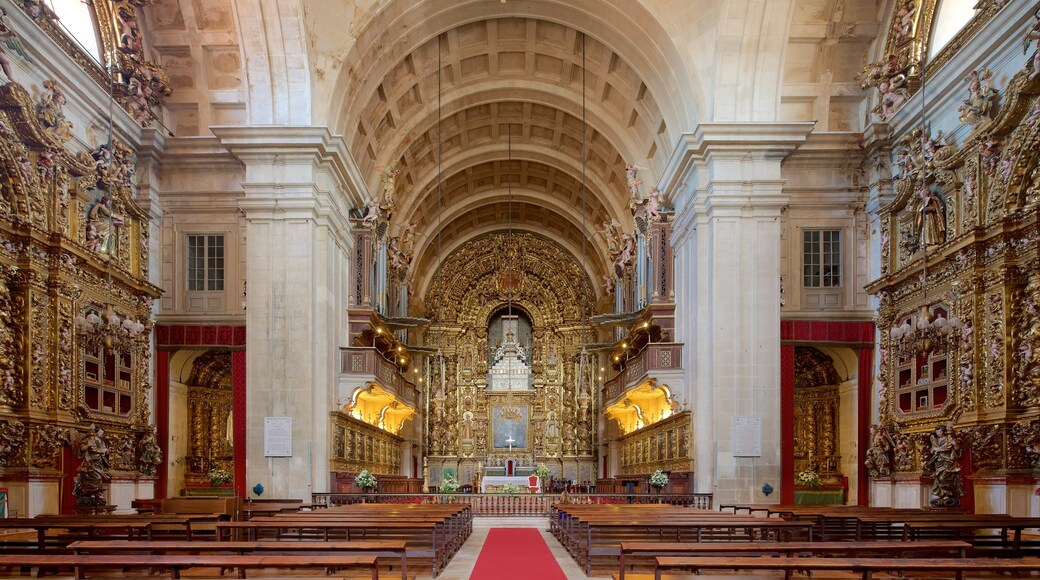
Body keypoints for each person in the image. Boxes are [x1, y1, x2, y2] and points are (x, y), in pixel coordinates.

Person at [923, 424, 965, 507]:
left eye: (940, 431)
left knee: (943, 477)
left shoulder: (948, 439)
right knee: (938, 478)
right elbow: (932, 450)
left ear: (944, 431)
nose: (938, 433)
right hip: (938, 462)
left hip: (948, 461)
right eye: (937, 432)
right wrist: (934, 450)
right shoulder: (935, 440)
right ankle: (943, 495)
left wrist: (954, 444)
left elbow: (956, 449)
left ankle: (949, 493)